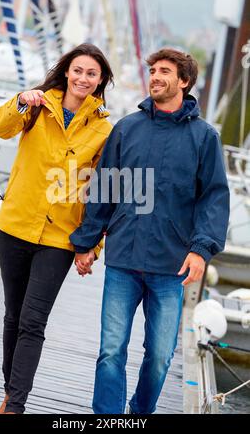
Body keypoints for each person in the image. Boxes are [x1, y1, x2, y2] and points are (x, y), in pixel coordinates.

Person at [70, 48, 230, 414]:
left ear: (184, 81)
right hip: (123, 260)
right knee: (111, 349)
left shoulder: (204, 137)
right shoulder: (127, 128)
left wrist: (201, 250)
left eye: (165, 71)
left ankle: (139, 413)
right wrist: (87, 244)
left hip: (170, 266)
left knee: (159, 357)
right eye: (153, 70)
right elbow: (103, 191)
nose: (155, 76)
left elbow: (214, 199)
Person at [0, 43, 113, 414]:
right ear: (66, 72)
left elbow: (105, 190)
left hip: (59, 238)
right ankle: (10, 392)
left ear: (100, 81)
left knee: (33, 321)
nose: (83, 78)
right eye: (78, 70)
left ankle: (15, 407)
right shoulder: (37, 105)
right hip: (13, 226)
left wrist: (93, 245)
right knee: (13, 315)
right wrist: (20, 102)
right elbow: (0, 128)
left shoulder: (104, 129)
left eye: (92, 74)